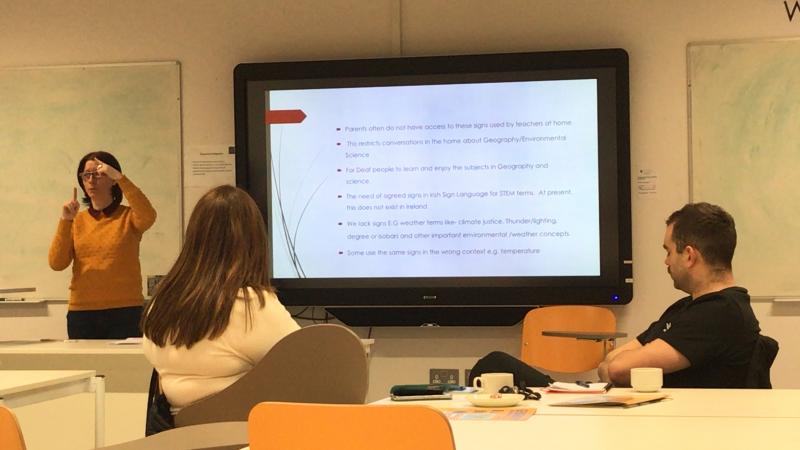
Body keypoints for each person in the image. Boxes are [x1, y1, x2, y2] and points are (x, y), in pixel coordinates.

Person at [141, 185, 299, 413]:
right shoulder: (248, 304)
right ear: (253, 241)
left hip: (177, 437)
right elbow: (306, 364)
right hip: (240, 436)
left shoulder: (161, 302)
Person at [598, 202, 760, 388]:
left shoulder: (720, 312)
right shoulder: (685, 307)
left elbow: (617, 368)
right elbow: (611, 360)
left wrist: (616, 366)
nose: (666, 261)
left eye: (669, 251)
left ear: (689, 256)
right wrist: (614, 366)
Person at [49, 151, 156, 339]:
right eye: (86, 175)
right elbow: (57, 263)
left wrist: (121, 178)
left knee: (125, 368)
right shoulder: (77, 221)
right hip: (83, 312)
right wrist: (65, 221)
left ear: (113, 179)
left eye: (98, 174)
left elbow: (148, 216)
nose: (91, 180)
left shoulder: (128, 216)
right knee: (86, 368)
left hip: (126, 310)